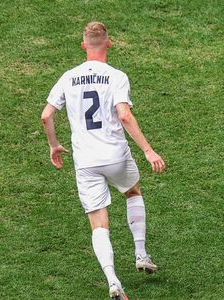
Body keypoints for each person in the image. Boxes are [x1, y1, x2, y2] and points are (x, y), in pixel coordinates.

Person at [40, 21, 166, 300]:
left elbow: (46, 115)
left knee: (98, 223)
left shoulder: (68, 76)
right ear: (109, 43)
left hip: (85, 161)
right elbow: (124, 115)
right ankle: (141, 253)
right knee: (132, 191)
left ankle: (113, 281)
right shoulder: (116, 76)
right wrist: (147, 150)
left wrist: (54, 145)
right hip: (115, 155)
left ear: (83, 45)